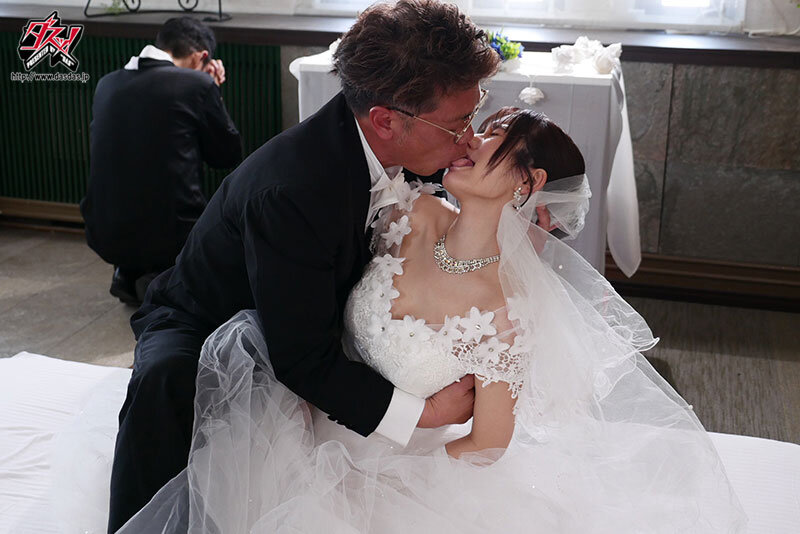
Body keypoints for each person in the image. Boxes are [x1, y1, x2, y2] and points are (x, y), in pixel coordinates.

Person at [84, 107, 747, 533]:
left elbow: (487, 444)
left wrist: (383, 473)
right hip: (305, 415)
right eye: (476, 123)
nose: (470, 139)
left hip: (393, 468)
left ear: (526, 182)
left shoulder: (503, 314)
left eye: (492, 137)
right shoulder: (408, 214)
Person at [105, 2, 500, 532]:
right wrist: (423, 415)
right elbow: (301, 356)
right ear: (385, 120)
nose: (469, 137)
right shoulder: (293, 192)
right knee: (166, 383)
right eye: (458, 124)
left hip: (312, 314)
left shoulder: (403, 144)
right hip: (206, 320)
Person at [80, 16, 241, 306]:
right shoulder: (196, 83)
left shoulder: (107, 83)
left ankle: (129, 272)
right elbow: (226, 156)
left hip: (102, 231)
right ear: (202, 57)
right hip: (171, 235)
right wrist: (213, 89)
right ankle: (162, 280)